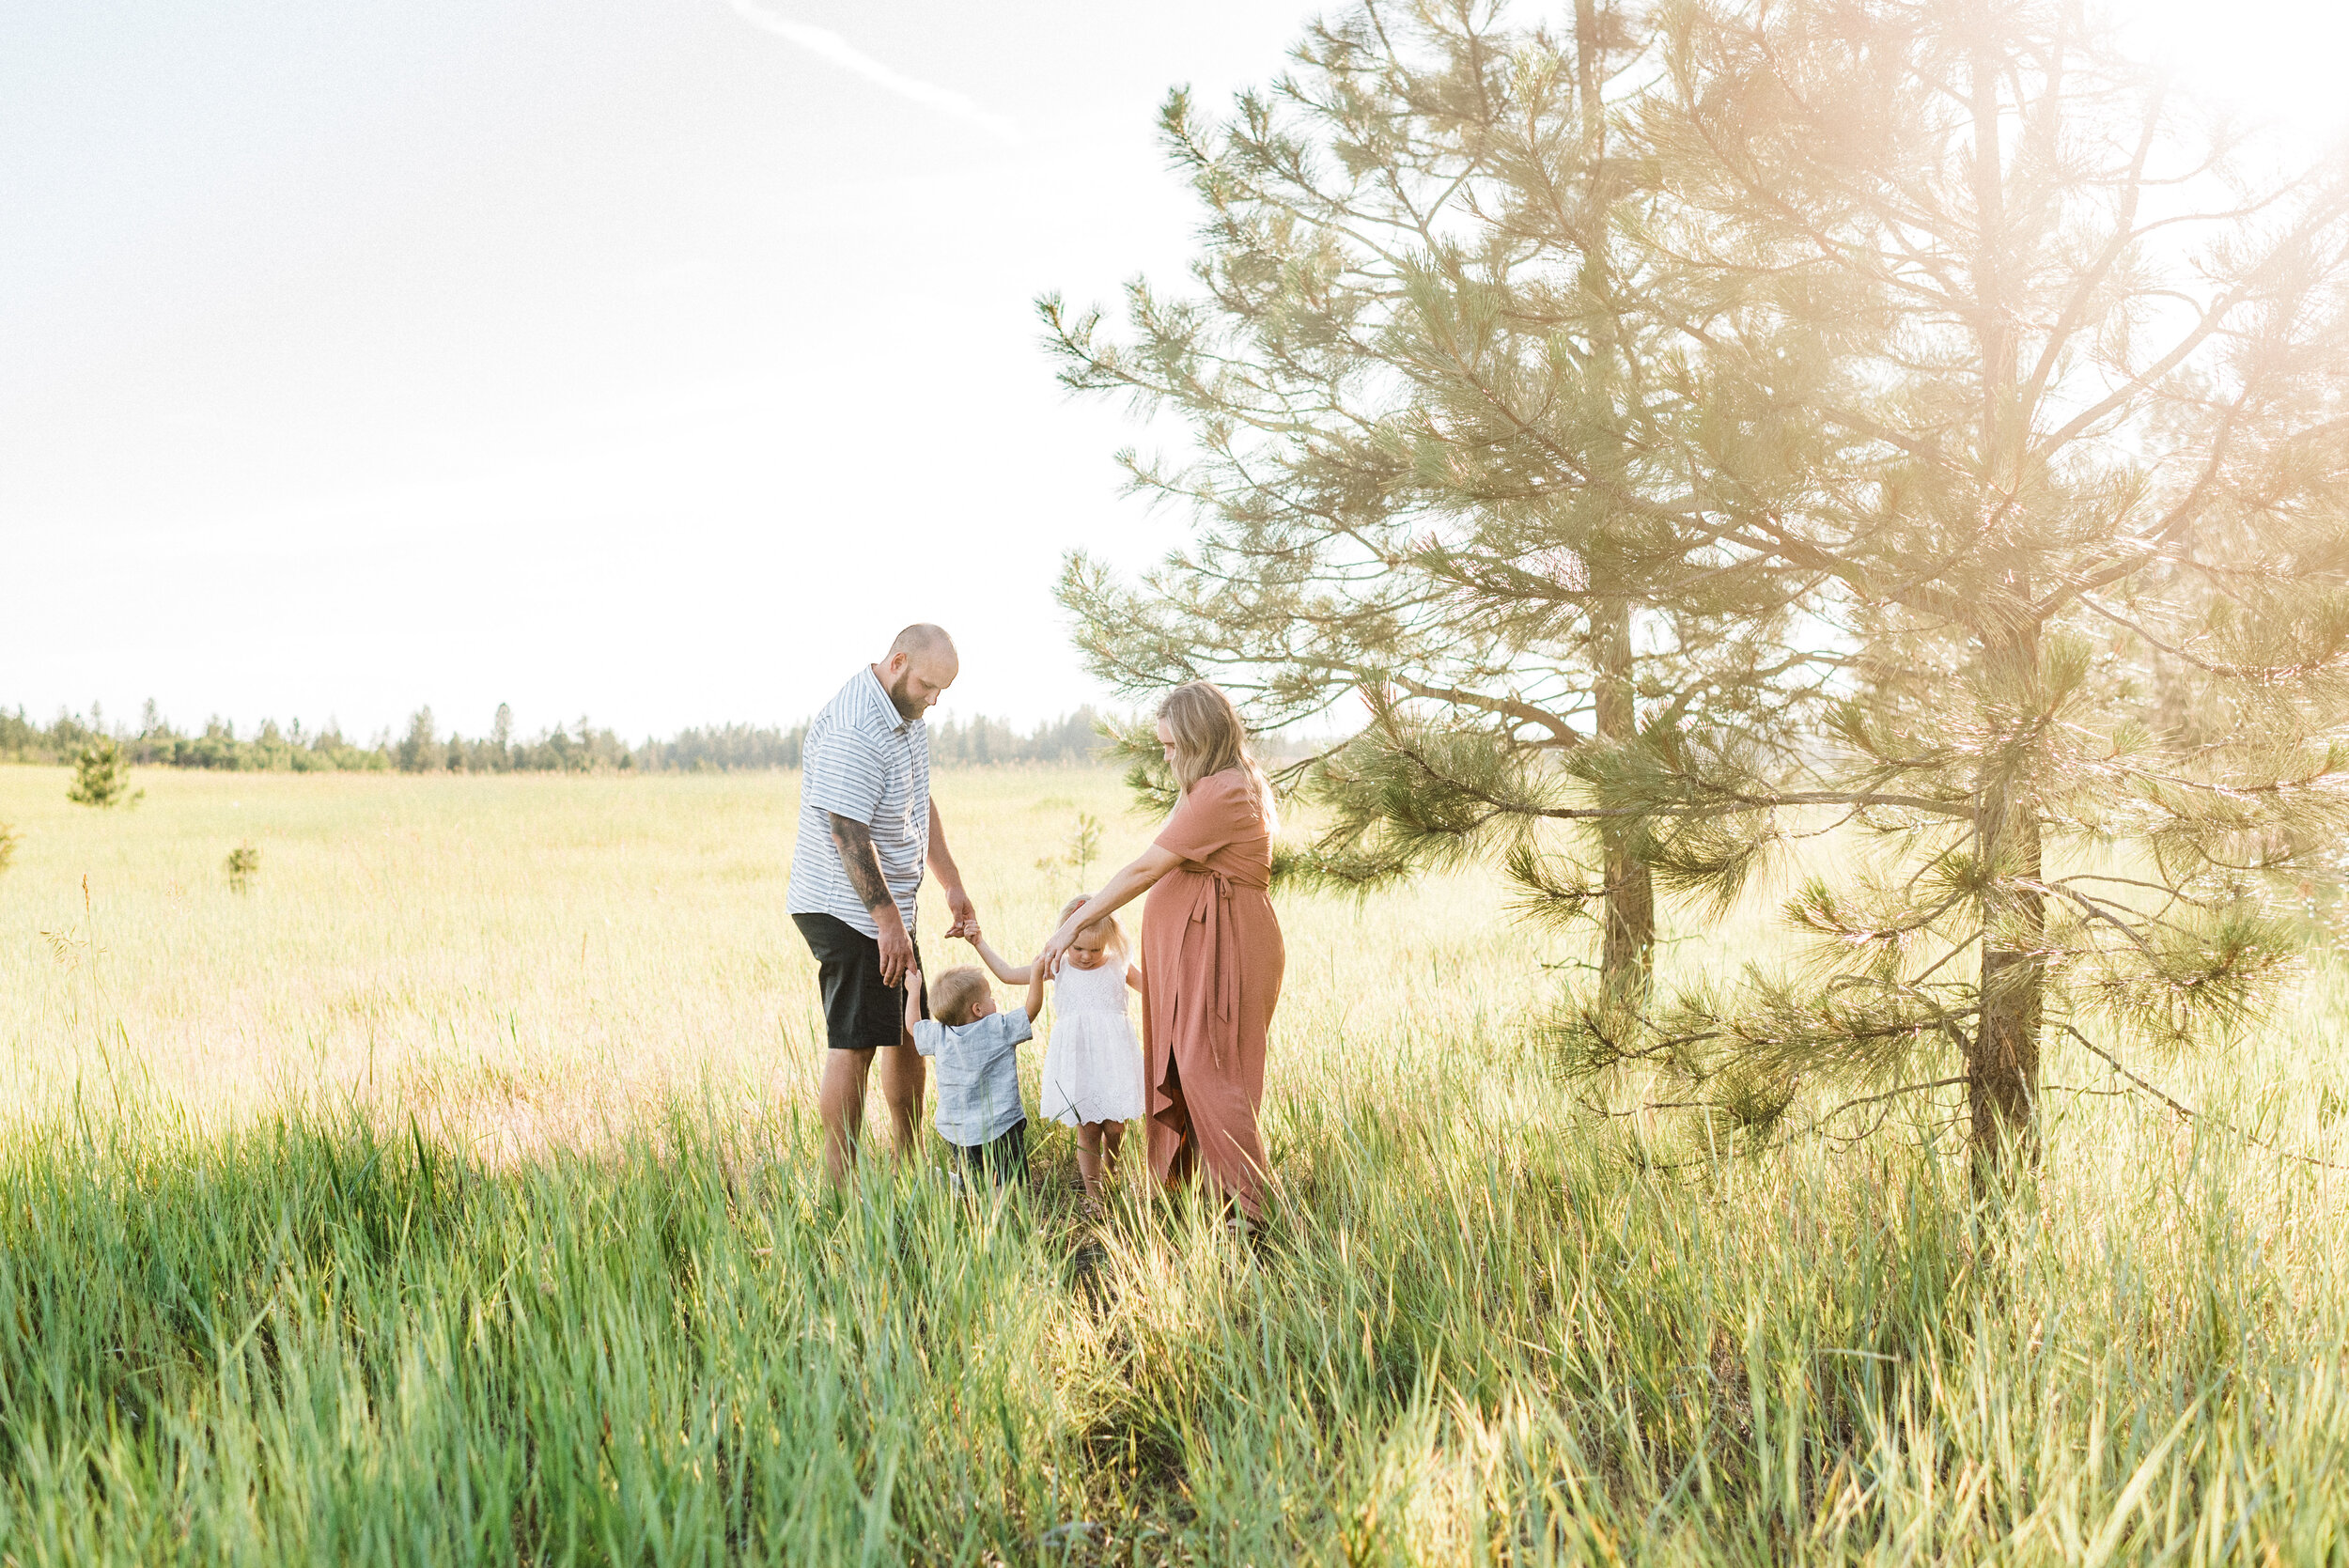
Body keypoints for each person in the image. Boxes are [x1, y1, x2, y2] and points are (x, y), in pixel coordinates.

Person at [1035, 681, 1284, 1222]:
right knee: (1192, 1066)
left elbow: (1146, 869)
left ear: (1200, 738)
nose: (1166, 756)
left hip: (1227, 947)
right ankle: (1215, 1204)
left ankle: (1257, 1214)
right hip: (1204, 946)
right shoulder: (1216, 786)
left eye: (1173, 746)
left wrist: (1069, 926)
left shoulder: (1224, 791)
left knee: (1209, 1069)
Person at [786, 624, 978, 1188]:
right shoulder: (855, 728)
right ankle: (838, 1185)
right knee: (858, 1041)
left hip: (886, 905)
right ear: (897, 662)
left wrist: (951, 882)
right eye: (928, 685)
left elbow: (919, 798)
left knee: (904, 1030)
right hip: (845, 906)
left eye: (943, 690)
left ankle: (905, 1165)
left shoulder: (906, 715)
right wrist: (888, 925)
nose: (934, 699)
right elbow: (847, 832)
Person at [967, 898, 1144, 1203]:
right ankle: (1094, 1194)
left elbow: (1156, 987)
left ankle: (1111, 1172)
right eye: (1078, 949)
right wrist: (978, 942)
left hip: (1115, 1057)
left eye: (1096, 949)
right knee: (1088, 1127)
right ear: (1066, 939)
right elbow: (1008, 974)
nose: (1087, 957)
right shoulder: (1056, 964)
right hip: (1079, 1059)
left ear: (1108, 943)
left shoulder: (1119, 965)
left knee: (1115, 1126)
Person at [904, 959, 1045, 1190]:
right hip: (1002, 1125)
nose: (994, 1000)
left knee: (978, 1183)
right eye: (990, 997)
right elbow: (1032, 1009)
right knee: (1011, 1183)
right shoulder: (997, 1028)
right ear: (977, 1009)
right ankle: (1005, 1218)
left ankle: (972, 1198)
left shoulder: (939, 1036)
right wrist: (1036, 975)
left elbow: (913, 1025)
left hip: (960, 1131)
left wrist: (913, 990)